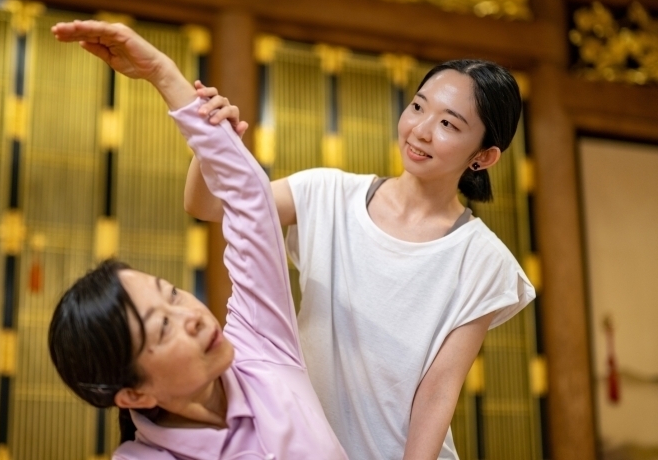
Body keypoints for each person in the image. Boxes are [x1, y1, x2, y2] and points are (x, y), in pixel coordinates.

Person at [185, 59, 536, 459]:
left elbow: (439, 391)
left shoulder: (483, 259)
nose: (420, 130)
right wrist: (210, 142)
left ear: (484, 157)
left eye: (448, 124)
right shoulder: (326, 194)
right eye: (418, 107)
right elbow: (208, 205)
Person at [47, 20, 348, 460]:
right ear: (134, 394)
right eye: (163, 327)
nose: (189, 315)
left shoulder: (258, 346)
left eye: (172, 294)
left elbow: (249, 201)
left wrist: (163, 74)